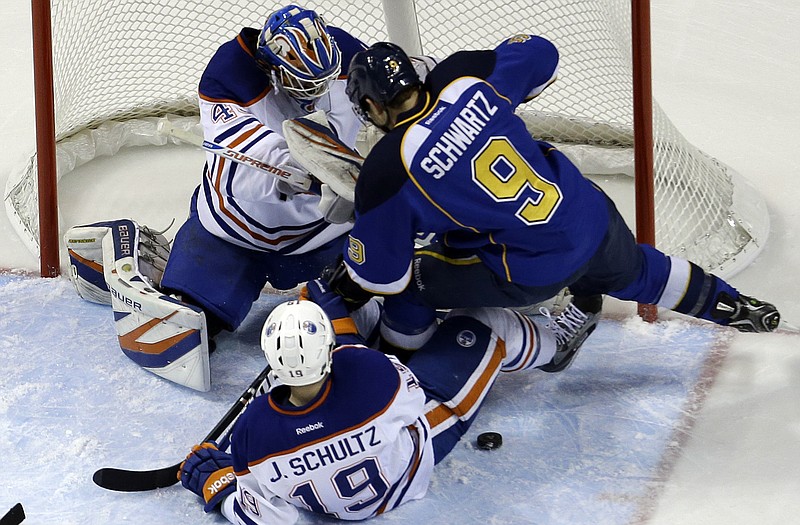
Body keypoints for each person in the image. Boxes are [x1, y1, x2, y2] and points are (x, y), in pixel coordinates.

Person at [329, 37, 780, 369]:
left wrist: (360, 246)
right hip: (591, 216)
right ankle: (734, 306)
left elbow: (383, 276)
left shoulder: (388, 170)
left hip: (533, 269)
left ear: (371, 103)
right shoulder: (466, 77)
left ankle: (392, 374)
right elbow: (541, 54)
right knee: (641, 271)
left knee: (415, 282)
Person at [178, 279, 563, 523]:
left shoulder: (251, 429)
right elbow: (410, 397)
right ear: (330, 349)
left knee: (361, 315)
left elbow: (262, 516)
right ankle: (557, 346)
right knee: (482, 322)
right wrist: (339, 325)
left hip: (339, 503)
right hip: (408, 468)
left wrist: (218, 485)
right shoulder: (369, 374)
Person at [159, 4, 367, 342]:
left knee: (377, 307)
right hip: (236, 229)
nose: (316, 92)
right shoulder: (228, 76)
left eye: (323, 81)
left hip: (323, 232)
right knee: (183, 331)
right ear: (271, 66)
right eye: (303, 81)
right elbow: (262, 159)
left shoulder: (349, 54)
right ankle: (191, 290)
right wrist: (320, 177)